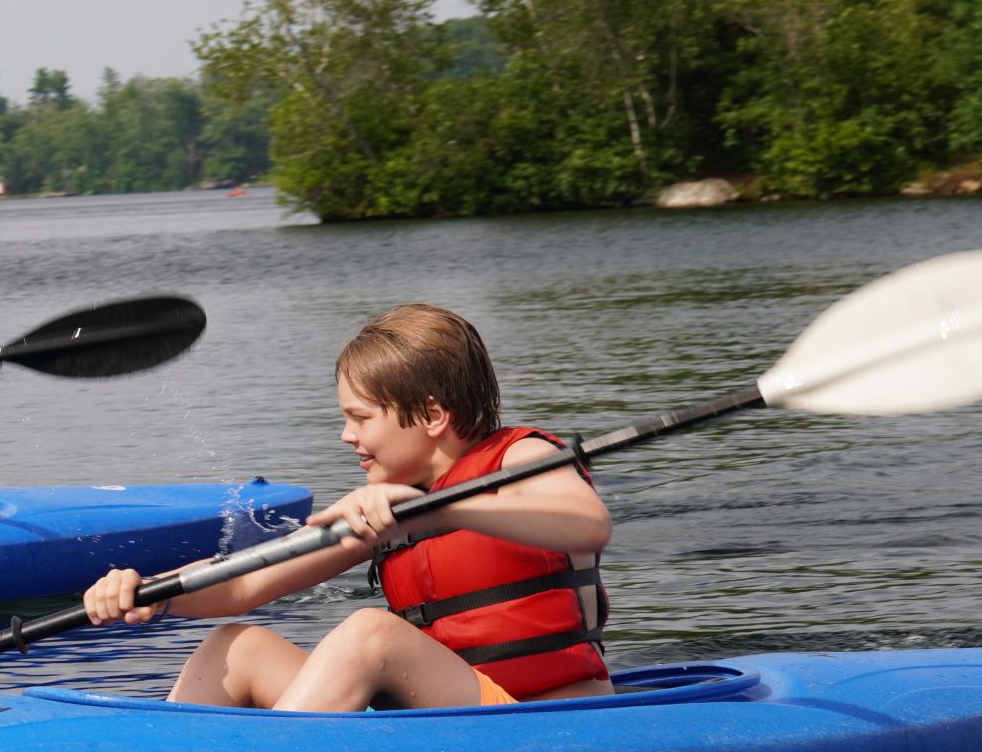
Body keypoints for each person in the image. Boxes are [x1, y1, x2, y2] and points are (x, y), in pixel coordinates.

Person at [84, 302, 611, 710]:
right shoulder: (384, 507)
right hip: (445, 718)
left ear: (430, 414)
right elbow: (244, 583)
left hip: (542, 720)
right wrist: (152, 592)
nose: (346, 436)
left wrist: (443, 512)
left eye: (361, 418)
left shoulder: (524, 454)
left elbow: (587, 524)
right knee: (237, 648)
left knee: (371, 633)